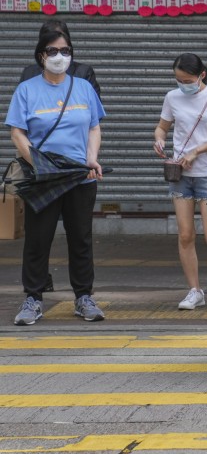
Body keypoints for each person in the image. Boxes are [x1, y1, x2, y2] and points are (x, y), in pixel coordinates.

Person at [8, 29, 106, 326]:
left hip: (80, 176)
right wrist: (37, 163)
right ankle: (33, 299)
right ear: (41, 56)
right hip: (44, 177)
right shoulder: (26, 90)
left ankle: (84, 297)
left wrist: (92, 157)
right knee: (38, 240)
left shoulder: (83, 87)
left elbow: (93, 126)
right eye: (53, 51)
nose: (60, 56)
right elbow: (17, 132)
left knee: (81, 239)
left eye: (65, 50)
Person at [153, 54, 207, 312]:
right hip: (181, 174)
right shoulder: (172, 97)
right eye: (178, 80)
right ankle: (194, 291)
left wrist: (197, 151)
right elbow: (162, 127)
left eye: (187, 80)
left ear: (202, 76)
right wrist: (159, 139)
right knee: (185, 234)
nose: (182, 84)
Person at [19, 19, 101, 98]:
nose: (58, 55)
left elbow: (93, 108)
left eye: (63, 49)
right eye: (51, 49)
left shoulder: (84, 74)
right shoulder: (29, 75)